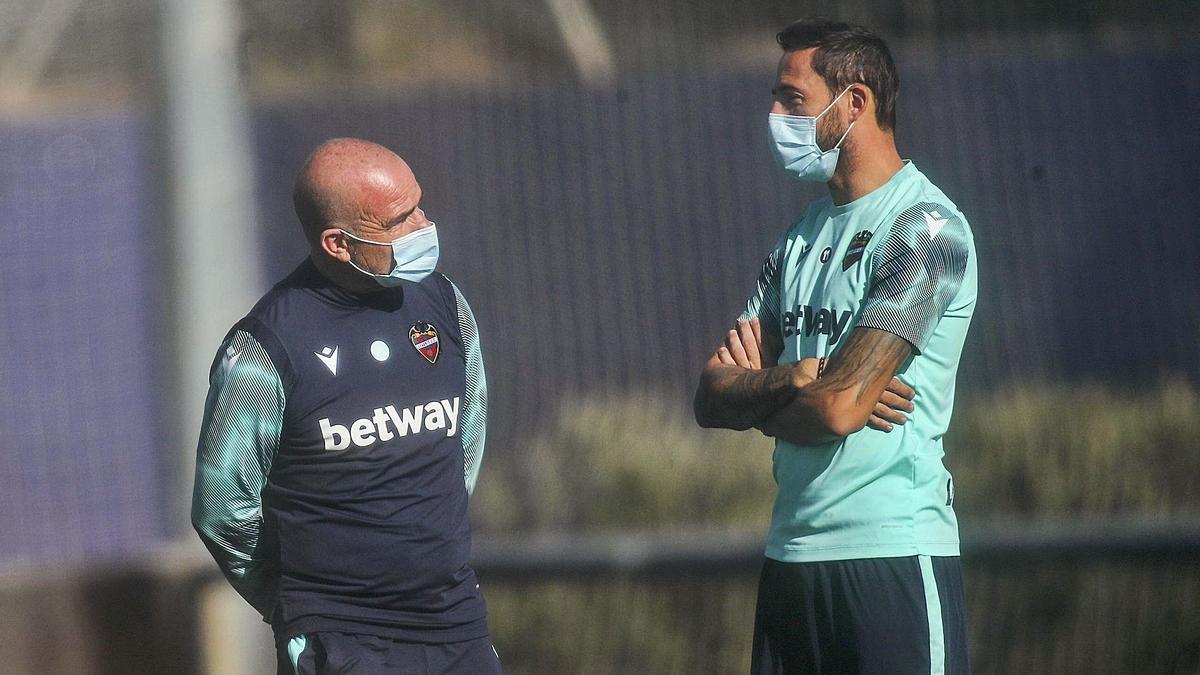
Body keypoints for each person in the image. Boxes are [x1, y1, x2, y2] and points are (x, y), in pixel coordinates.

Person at [693, 19, 976, 675]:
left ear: (855, 103)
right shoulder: (798, 237)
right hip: (791, 557)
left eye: (792, 98)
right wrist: (796, 378)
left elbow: (841, 408)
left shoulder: (925, 229)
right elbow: (709, 395)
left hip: (892, 557)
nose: (774, 115)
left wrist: (766, 396)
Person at [192, 138, 500, 674]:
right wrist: (299, 608)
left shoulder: (445, 302)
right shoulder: (264, 348)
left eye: (418, 206)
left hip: (456, 623)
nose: (422, 227)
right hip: (342, 640)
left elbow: (462, 449)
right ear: (339, 243)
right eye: (399, 221)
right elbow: (224, 513)